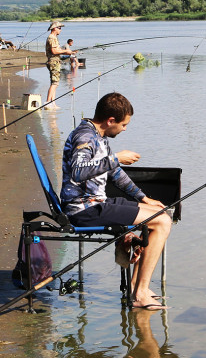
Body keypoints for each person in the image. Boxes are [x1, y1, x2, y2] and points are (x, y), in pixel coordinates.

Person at [61, 92, 172, 309]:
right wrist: (115, 158)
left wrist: (143, 197)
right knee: (163, 222)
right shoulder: (85, 137)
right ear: (110, 121)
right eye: (123, 124)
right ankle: (140, 295)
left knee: (160, 214)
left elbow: (115, 174)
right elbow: (77, 172)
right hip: (84, 209)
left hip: (97, 203)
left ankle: (136, 286)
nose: (125, 129)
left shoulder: (98, 136)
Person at [44, 20, 74, 109]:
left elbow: (57, 51)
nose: (60, 30)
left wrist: (68, 52)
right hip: (53, 62)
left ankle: (53, 103)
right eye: (59, 28)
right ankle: (48, 102)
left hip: (55, 61)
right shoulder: (52, 38)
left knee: (55, 83)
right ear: (54, 28)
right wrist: (66, 51)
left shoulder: (54, 38)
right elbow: (54, 51)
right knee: (55, 83)